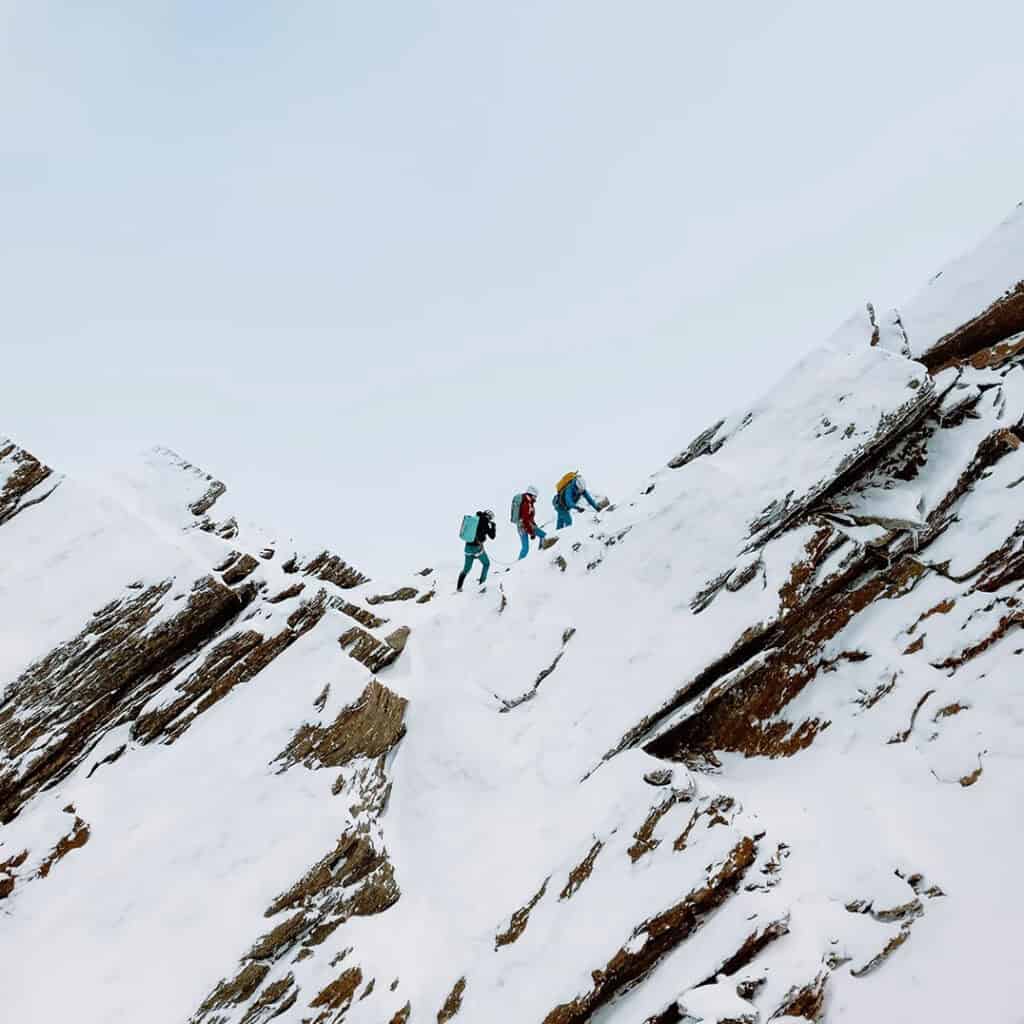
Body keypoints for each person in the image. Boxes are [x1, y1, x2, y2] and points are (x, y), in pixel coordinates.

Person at [457, 509, 496, 591]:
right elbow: (492, 536)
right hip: (477, 549)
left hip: (467, 548)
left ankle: (459, 587)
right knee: (486, 564)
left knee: (466, 569)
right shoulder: (486, 522)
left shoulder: (475, 519)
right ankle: (482, 585)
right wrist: (493, 526)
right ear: (489, 517)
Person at [516, 486, 547, 559]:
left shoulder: (529, 503)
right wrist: (531, 533)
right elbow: (525, 520)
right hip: (524, 527)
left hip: (523, 527)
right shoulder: (527, 504)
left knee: (525, 547)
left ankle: (541, 552)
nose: (536, 498)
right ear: (531, 495)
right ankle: (541, 552)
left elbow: (529, 518)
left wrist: (534, 525)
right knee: (526, 547)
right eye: (535, 496)